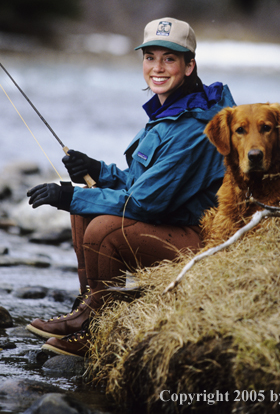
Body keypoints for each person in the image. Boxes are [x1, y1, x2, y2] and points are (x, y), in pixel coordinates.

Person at [25, 18, 235, 357]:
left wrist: (68, 194)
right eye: (150, 57)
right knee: (85, 210)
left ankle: (97, 328)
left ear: (189, 64)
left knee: (103, 228)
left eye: (169, 58)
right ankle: (88, 309)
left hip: (204, 241)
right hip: (175, 221)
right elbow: (145, 184)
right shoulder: (173, 109)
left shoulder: (195, 126)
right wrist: (98, 171)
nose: (157, 67)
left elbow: (145, 204)